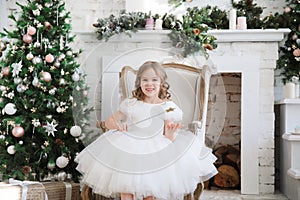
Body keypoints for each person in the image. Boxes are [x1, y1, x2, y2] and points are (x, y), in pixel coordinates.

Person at [75, 61, 218, 200]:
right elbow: (109, 121)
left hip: (157, 147)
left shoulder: (167, 106)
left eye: (154, 80)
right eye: (145, 80)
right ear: (139, 83)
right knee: (126, 188)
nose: (149, 84)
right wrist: (117, 125)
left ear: (161, 83)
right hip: (130, 146)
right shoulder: (131, 103)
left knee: (151, 189)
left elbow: (168, 136)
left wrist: (171, 134)